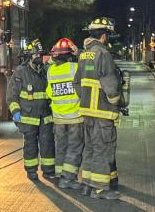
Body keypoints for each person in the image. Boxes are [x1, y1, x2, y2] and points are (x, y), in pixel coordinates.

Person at [75, 17, 121, 200]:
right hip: (103, 110)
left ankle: (87, 184)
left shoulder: (84, 54)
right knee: (103, 148)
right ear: (104, 36)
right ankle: (100, 189)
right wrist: (116, 101)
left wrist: (86, 99)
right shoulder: (103, 53)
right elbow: (110, 83)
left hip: (86, 111)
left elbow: (77, 82)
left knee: (90, 148)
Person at [7, 39, 55, 181]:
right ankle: (31, 171)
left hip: (45, 117)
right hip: (28, 117)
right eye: (36, 55)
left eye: (41, 54)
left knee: (48, 144)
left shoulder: (46, 71)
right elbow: (11, 96)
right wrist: (15, 112)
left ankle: (48, 171)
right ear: (29, 57)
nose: (39, 57)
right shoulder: (20, 72)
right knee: (30, 145)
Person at [46, 38, 84, 190]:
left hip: (59, 118)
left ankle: (60, 174)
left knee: (61, 147)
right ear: (70, 54)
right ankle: (68, 179)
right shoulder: (74, 68)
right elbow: (90, 66)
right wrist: (79, 53)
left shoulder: (50, 71)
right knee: (74, 148)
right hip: (75, 116)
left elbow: (49, 93)